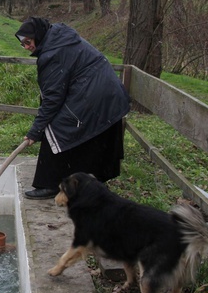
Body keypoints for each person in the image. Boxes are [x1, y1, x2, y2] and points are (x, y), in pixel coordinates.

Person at [15, 17, 131, 199]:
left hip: (97, 94)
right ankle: (92, 181)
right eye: (23, 44)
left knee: (56, 127)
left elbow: (53, 98)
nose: (27, 47)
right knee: (82, 130)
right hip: (107, 92)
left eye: (28, 42)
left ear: (38, 36)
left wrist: (35, 131)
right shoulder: (59, 39)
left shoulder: (52, 53)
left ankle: (50, 184)